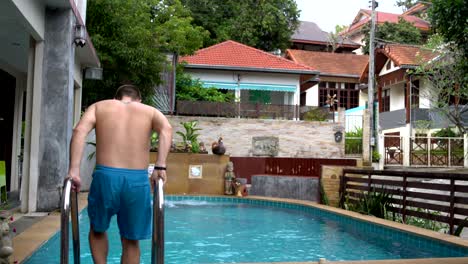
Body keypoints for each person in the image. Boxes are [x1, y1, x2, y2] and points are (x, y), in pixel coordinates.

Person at [67, 84, 172, 264]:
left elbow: (79, 131)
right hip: (137, 180)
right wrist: (160, 167)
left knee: (98, 229)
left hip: (105, 177)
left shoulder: (99, 107)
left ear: (115, 98)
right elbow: (166, 129)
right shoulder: (150, 111)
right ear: (139, 100)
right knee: (131, 240)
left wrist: (74, 170)